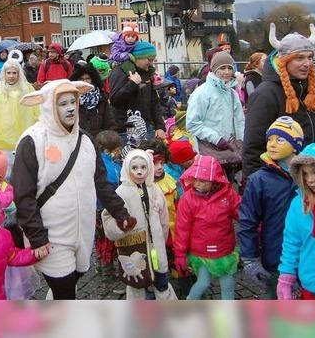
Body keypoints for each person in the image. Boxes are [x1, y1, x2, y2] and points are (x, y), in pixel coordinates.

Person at [12, 79, 136, 299]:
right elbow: (23, 194)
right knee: (65, 291)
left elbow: (100, 181)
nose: (70, 108)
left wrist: (120, 212)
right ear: (49, 105)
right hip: (51, 235)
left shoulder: (86, 140)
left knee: (76, 276)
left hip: (83, 231)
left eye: (73, 102)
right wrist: (37, 236)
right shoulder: (33, 141)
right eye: (62, 103)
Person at [243, 24, 315, 178]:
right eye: (299, 58)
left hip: (314, 176)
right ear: (284, 61)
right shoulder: (265, 94)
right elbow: (253, 148)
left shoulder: (314, 88)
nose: (307, 63)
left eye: (310, 57)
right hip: (280, 179)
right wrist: (254, 187)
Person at [238, 117, 303, 298]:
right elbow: (247, 220)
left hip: (307, 259)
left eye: (280, 139)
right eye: (269, 139)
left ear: (296, 144)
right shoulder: (259, 180)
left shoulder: (308, 176)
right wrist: (250, 259)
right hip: (275, 257)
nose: (272, 144)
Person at [102, 149, 175, 300]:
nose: (140, 172)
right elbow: (108, 218)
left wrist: (161, 237)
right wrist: (120, 227)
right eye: (134, 168)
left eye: (143, 167)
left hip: (156, 247)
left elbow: (163, 218)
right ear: (127, 169)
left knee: (161, 280)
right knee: (136, 285)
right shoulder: (121, 192)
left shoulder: (154, 190)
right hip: (133, 248)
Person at [174, 155, 241, 300]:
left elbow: (241, 213)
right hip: (201, 252)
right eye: (195, 179)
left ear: (214, 181)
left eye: (203, 180)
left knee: (228, 285)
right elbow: (182, 229)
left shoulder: (228, 195)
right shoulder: (188, 199)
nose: (197, 183)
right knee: (203, 283)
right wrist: (180, 254)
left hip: (224, 250)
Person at [278, 142, 315, 300]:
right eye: (305, 174)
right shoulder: (298, 205)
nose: (309, 180)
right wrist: (286, 276)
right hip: (310, 286)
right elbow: (292, 242)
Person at [186, 50, 244, 178]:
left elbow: (240, 121)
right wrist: (217, 139)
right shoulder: (202, 93)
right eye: (222, 68)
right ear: (213, 69)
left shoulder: (232, 93)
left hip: (230, 150)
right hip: (209, 150)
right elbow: (192, 124)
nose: (227, 72)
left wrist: (241, 141)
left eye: (230, 68)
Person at [0, 60, 39, 174]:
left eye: (14, 73)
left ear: (19, 74)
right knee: (1, 171)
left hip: (19, 138)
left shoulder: (27, 89)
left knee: (19, 172)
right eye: (8, 73)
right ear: (4, 74)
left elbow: (35, 112)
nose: (11, 76)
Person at [108, 41, 166, 141]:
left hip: (146, 128)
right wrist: (132, 84)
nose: (151, 63)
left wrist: (159, 126)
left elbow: (154, 101)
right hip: (126, 130)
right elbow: (115, 100)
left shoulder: (147, 73)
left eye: (153, 60)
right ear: (138, 57)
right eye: (149, 60)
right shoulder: (119, 71)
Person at [93, 130, 122, 280]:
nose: (119, 153)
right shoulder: (105, 167)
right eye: (117, 150)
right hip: (104, 208)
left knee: (100, 239)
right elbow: (111, 183)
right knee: (106, 240)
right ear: (106, 150)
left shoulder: (108, 163)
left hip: (101, 207)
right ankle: (107, 272)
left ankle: (100, 264)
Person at [70, 62, 117, 138]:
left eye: (87, 78)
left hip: (98, 142)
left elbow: (109, 123)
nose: (85, 82)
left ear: (93, 79)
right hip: (78, 142)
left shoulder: (101, 98)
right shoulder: (71, 99)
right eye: (81, 79)